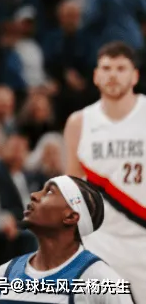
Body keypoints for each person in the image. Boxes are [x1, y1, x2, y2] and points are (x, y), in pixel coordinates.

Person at [64, 41, 146, 304]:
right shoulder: (79, 122)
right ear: (96, 76)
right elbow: (70, 186)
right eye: (106, 68)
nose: (113, 75)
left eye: (121, 68)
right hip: (100, 242)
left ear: (135, 76)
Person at [0, 175, 134, 304]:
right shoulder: (4, 274)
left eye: (49, 192)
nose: (34, 195)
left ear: (70, 217)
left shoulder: (101, 280)